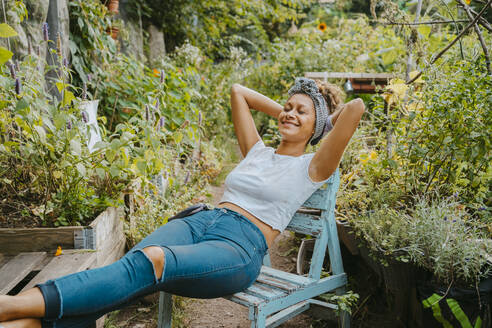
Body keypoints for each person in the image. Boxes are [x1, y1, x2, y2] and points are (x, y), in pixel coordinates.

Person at [0, 77, 365, 328]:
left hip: (239, 245)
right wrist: (293, 114)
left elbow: (356, 108)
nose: (288, 113)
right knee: (134, 269)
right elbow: (239, 92)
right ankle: (33, 322)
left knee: (154, 261)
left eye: (301, 112)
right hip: (200, 221)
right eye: (287, 107)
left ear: (318, 127)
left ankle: (13, 305)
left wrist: (316, 121)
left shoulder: (312, 167)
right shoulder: (257, 151)